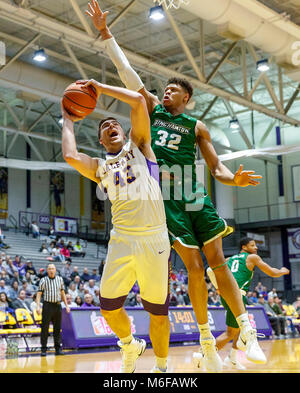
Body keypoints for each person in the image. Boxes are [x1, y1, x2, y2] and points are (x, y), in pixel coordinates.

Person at [87, 0, 265, 372]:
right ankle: (206, 340)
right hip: (164, 198)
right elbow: (128, 74)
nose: (165, 93)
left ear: (187, 98)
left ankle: (246, 329)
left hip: (194, 192)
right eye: (164, 90)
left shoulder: (197, 126)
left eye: (172, 91)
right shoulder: (152, 110)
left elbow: (216, 169)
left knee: (217, 261)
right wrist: (106, 35)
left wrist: (235, 179)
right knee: (195, 267)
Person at [62, 77, 170, 374]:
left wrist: (99, 86)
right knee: (108, 308)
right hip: (122, 239)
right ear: (100, 140)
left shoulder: (141, 146)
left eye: (114, 124)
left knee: (158, 313)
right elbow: (71, 156)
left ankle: (162, 369)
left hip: (154, 239)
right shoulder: (100, 167)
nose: (110, 127)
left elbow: (137, 101)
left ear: (123, 131)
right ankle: (129, 343)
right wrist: (67, 120)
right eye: (103, 127)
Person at [200, 237, 289, 370]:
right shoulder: (252, 258)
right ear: (244, 247)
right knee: (231, 332)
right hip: (237, 295)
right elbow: (272, 272)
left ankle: (232, 358)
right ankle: (202, 355)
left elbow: (210, 271)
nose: (256, 248)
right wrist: (283, 270)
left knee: (240, 328)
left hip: (226, 295)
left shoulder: (229, 259)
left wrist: (217, 287)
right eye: (252, 245)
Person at [36, 263, 70, 356]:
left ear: (55, 270)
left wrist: (66, 305)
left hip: (57, 306)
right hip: (47, 306)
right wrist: (38, 306)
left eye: (53, 268)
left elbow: (62, 293)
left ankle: (58, 349)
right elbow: (39, 294)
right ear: (47, 270)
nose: (51, 270)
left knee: (57, 328)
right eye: (49, 268)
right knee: (45, 328)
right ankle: (43, 349)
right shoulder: (43, 280)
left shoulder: (60, 279)